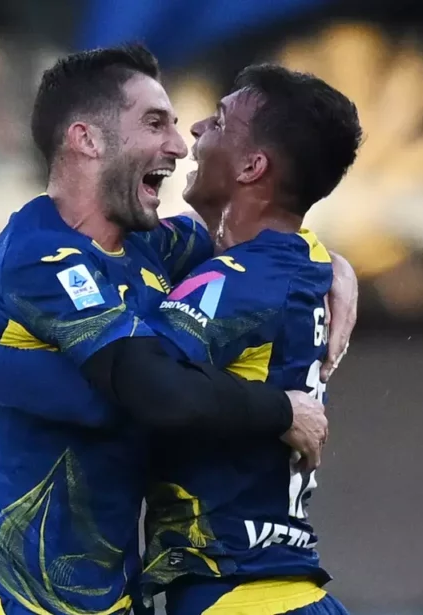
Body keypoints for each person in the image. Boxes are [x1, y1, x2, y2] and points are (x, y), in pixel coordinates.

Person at [0, 44, 329, 615]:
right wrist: (279, 409)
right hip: (13, 601)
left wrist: (331, 268)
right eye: (155, 123)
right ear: (87, 139)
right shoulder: (39, 254)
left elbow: (257, 245)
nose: (178, 145)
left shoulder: (150, 246)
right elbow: (120, 398)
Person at [134, 64, 362, 615]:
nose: (195, 130)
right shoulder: (303, 257)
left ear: (252, 166)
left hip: (242, 597)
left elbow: (141, 381)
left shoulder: (240, 279)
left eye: (217, 122)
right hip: (274, 589)